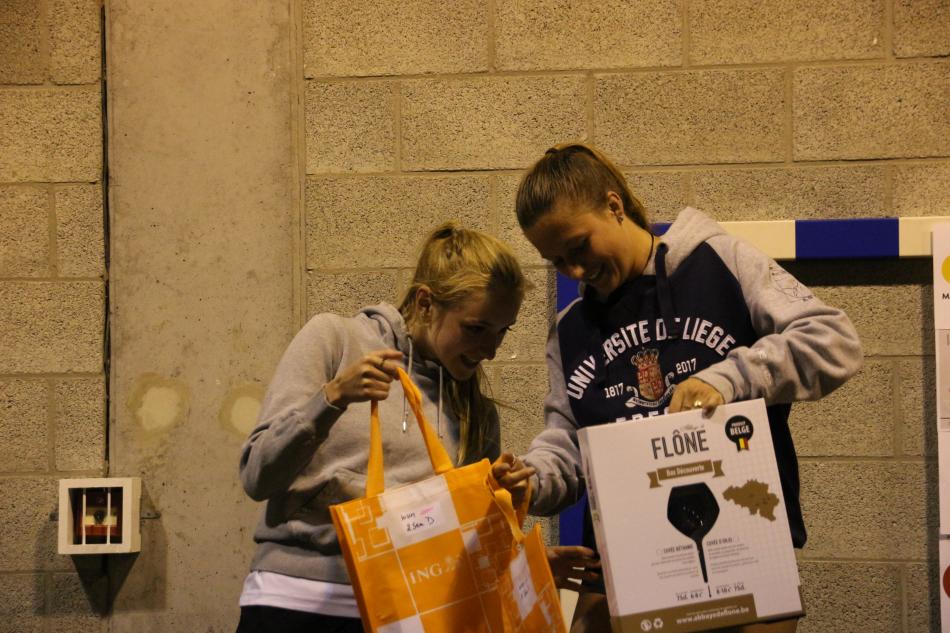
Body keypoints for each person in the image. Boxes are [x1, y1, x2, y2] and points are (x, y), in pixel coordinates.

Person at [492, 143, 863, 633]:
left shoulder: (720, 261)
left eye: (579, 247)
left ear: (613, 205)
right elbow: (567, 442)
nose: (575, 270)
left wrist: (729, 378)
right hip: (625, 569)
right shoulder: (571, 329)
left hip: (744, 555)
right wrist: (534, 479)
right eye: (556, 260)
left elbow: (833, 341)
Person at [236, 222, 527, 633]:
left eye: (502, 332)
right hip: (296, 599)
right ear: (426, 303)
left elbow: (463, 543)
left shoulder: (473, 409)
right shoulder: (335, 339)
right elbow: (257, 476)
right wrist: (331, 399)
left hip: (408, 611)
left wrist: (503, 500)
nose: (491, 351)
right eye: (476, 329)